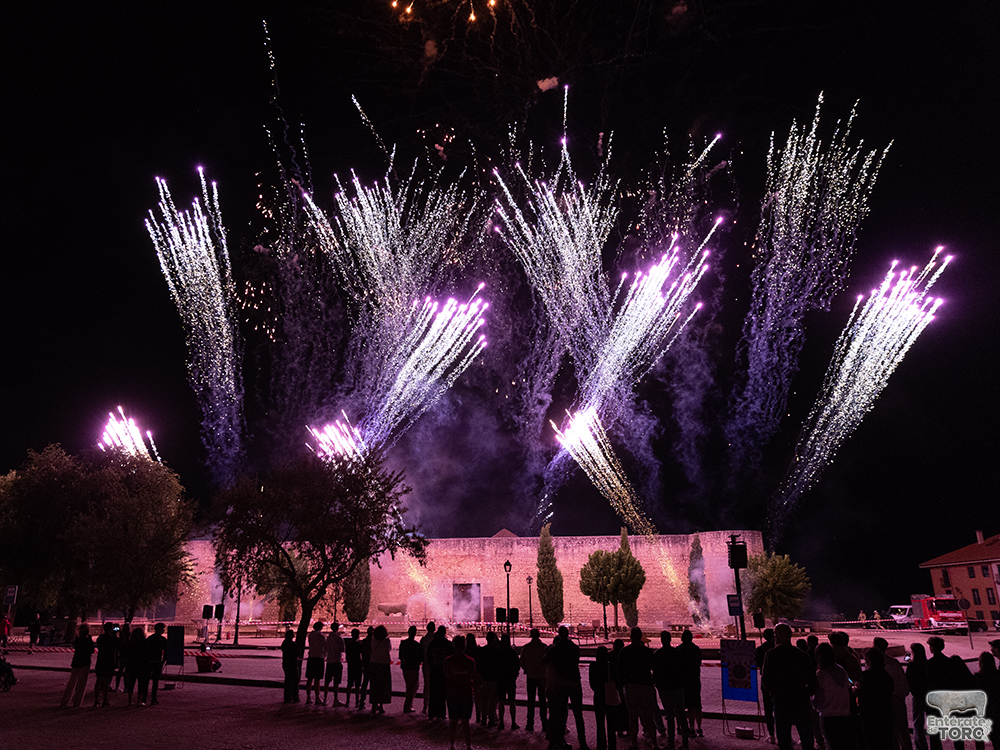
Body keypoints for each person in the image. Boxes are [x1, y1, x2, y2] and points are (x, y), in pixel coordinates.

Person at [762, 623, 817, 750]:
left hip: (781, 701)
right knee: (806, 736)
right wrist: (804, 694)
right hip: (800, 701)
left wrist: (774, 694)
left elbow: (766, 679)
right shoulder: (801, 655)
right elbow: (813, 681)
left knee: (783, 738)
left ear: (778, 636)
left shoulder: (771, 655)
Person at [545, 626, 588, 750]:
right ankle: (582, 742)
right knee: (578, 714)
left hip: (561, 684)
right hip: (574, 683)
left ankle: (559, 741)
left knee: (561, 713)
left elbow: (545, 660)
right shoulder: (574, 648)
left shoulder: (555, 649)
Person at [617, 627, 660, 750]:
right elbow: (655, 668)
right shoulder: (647, 652)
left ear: (631, 637)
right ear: (641, 637)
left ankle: (634, 743)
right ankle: (654, 743)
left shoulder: (625, 651)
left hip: (631, 686)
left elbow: (619, 670)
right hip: (645, 685)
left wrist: (623, 683)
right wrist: (652, 681)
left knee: (633, 716)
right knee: (648, 716)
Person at [813, 643, 855, 750]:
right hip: (844, 714)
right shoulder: (841, 670)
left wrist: (815, 705)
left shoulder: (821, 674)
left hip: (828, 716)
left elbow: (818, 697)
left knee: (832, 744)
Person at [872, 638, 911, 750]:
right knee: (902, 730)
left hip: (885, 701)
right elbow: (904, 684)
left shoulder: (873, 666)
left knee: (891, 732)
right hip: (896, 699)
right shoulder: (894, 663)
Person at [653, 631, 690, 750]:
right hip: (677, 687)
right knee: (681, 714)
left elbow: (655, 671)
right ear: (670, 640)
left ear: (661, 640)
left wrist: (657, 684)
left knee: (670, 716)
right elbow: (683, 669)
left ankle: (671, 743)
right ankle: (685, 742)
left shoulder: (658, 654)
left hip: (665, 688)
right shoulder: (677, 653)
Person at [444, 635, 477, 750]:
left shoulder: (448, 661)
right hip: (466, 693)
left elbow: (447, 676)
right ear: (464, 646)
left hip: (452, 692)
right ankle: (468, 745)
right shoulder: (470, 661)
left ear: (454, 646)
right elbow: (472, 676)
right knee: (465, 722)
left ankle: (452, 745)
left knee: (453, 721)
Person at [857, 648, 893, 750]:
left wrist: (857, 691)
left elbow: (863, 696)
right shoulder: (886, 675)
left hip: (871, 717)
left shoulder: (867, 676)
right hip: (885, 716)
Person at [590, 646, 618, 750]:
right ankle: (612, 745)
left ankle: (601, 745)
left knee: (600, 723)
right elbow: (616, 681)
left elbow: (592, 684)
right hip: (609, 695)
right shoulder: (610, 666)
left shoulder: (593, 666)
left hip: (599, 696)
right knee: (611, 723)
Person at [521, 628, 549, 733]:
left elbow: (522, 662)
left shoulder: (526, 648)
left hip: (531, 677)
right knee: (542, 701)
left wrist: (527, 669)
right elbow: (547, 663)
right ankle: (544, 723)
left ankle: (530, 723)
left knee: (531, 700)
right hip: (541, 677)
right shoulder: (544, 647)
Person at [60, 622, 95, 708]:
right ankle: (77, 701)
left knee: (72, 681)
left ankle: (65, 700)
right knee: (81, 683)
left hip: (76, 662)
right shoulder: (88, 641)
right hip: (85, 662)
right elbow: (91, 651)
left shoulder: (78, 640)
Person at [677, 629, 703, 737]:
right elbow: (698, 663)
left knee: (684, 705)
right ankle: (698, 727)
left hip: (683, 680)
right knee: (696, 704)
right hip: (694, 679)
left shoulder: (679, 649)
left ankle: (688, 727)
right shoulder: (696, 649)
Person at [972, 651, 999, 750]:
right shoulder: (997, 676)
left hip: (982, 712)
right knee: (997, 738)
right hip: (996, 710)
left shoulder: (977, 678)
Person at [906, 643, 929, 750]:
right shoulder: (927, 664)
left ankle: (921, 746)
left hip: (918, 695)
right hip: (929, 694)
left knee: (918, 722)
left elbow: (909, 681)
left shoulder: (912, 666)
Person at [428, 625, 453, 721]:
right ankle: (441, 713)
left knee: (433, 692)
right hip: (444, 671)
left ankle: (432, 713)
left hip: (434, 670)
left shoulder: (432, 644)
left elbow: (429, 658)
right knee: (442, 693)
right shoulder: (448, 644)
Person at [757, 628, 778, 744]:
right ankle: (785, 734)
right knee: (781, 709)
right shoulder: (777, 649)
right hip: (779, 681)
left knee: (768, 709)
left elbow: (756, 663)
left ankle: (771, 734)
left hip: (765, 682)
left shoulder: (760, 649)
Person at [139, 622, 168, 706]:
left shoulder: (150, 638)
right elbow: (166, 651)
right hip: (157, 662)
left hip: (149, 662)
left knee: (146, 681)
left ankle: (144, 698)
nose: (163, 631)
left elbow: (144, 650)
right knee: (155, 682)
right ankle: (153, 698)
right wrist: (163, 661)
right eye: (162, 629)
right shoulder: (162, 640)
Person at [92, 622, 119, 707]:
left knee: (99, 681)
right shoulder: (112, 639)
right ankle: (105, 699)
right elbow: (120, 644)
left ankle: (96, 700)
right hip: (109, 662)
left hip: (101, 660)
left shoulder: (100, 638)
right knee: (106, 682)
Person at [498, 632, 521, 730]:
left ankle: (501, 722)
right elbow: (517, 666)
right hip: (510, 679)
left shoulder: (499, 652)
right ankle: (513, 722)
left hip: (501, 679)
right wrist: (514, 676)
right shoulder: (512, 653)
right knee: (512, 702)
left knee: (501, 701)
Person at [477, 631, 500, 726]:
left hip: (484, 677)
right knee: (493, 700)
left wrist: (480, 675)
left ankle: (483, 719)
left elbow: (479, 664)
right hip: (493, 677)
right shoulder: (497, 651)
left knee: (484, 699)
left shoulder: (482, 650)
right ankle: (491, 718)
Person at [368, 625, 392, 715]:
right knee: (382, 685)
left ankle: (374, 705)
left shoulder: (373, 641)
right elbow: (389, 649)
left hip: (374, 663)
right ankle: (381, 705)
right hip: (384, 664)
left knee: (374, 685)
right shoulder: (387, 641)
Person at [399, 625, 422, 713]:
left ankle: (409, 704)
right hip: (413, 667)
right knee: (413, 687)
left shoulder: (403, 644)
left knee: (409, 685)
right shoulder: (416, 645)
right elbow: (420, 657)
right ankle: (407, 705)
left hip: (405, 667)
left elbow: (400, 656)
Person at [305, 621, 326, 705]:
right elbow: (325, 646)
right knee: (317, 679)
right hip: (319, 657)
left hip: (311, 657)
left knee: (309, 679)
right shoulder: (321, 636)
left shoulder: (310, 635)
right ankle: (317, 697)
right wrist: (325, 655)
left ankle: (308, 697)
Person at [123, 627, 145, 706]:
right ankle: (139, 701)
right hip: (141, 664)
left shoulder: (130, 643)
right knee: (141, 683)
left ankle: (129, 701)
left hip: (131, 664)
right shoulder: (143, 643)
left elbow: (126, 653)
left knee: (131, 682)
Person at [324, 622, 345, 706]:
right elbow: (343, 649)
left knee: (327, 681)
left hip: (329, 661)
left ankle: (325, 699)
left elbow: (326, 648)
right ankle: (335, 699)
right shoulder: (339, 638)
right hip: (336, 661)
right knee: (336, 682)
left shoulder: (328, 638)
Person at [420, 621, 436, 714]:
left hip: (426, 664)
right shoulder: (436, 640)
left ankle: (425, 705)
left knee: (427, 685)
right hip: (435, 665)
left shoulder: (423, 640)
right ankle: (434, 706)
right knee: (435, 685)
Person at [280, 629, 300, 703]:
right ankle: (295, 696)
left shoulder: (284, 643)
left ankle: (287, 697)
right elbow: (298, 651)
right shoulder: (292, 644)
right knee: (294, 680)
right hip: (292, 663)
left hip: (286, 663)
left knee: (288, 680)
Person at [345, 628, 363, 707]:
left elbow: (347, 656)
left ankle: (347, 701)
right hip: (358, 665)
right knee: (357, 685)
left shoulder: (349, 645)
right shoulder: (359, 645)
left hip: (351, 665)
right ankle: (357, 701)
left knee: (349, 684)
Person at [358, 625, 374, 710]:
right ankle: (374, 703)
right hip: (373, 664)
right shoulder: (374, 642)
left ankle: (362, 701)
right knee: (373, 684)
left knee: (365, 683)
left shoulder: (364, 641)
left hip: (366, 664)